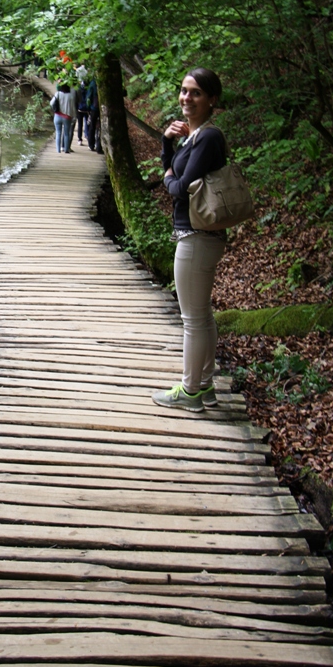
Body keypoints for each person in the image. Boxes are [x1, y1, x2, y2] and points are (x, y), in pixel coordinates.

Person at [152, 68, 227, 412]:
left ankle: (190, 390)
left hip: (197, 237)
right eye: (184, 91)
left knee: (193, 319)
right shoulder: (193, 136)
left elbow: (180, 189)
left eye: (196, 92)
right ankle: (205, 386)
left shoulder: (208, 138)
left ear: (212, 99)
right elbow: (176, 173)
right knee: (202, 315)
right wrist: (167, 142)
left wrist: (167, 178)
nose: (187, 97)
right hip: (198, 236)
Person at [52, 83, 76, 153]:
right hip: (67, 117)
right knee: (66, 133)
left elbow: (51, 103)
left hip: (58, 116)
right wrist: (74, 117)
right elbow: (73, 108)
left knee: (58, 132)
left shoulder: (58, 94)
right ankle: (66, 149)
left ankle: (58, 150)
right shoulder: (71, 96)